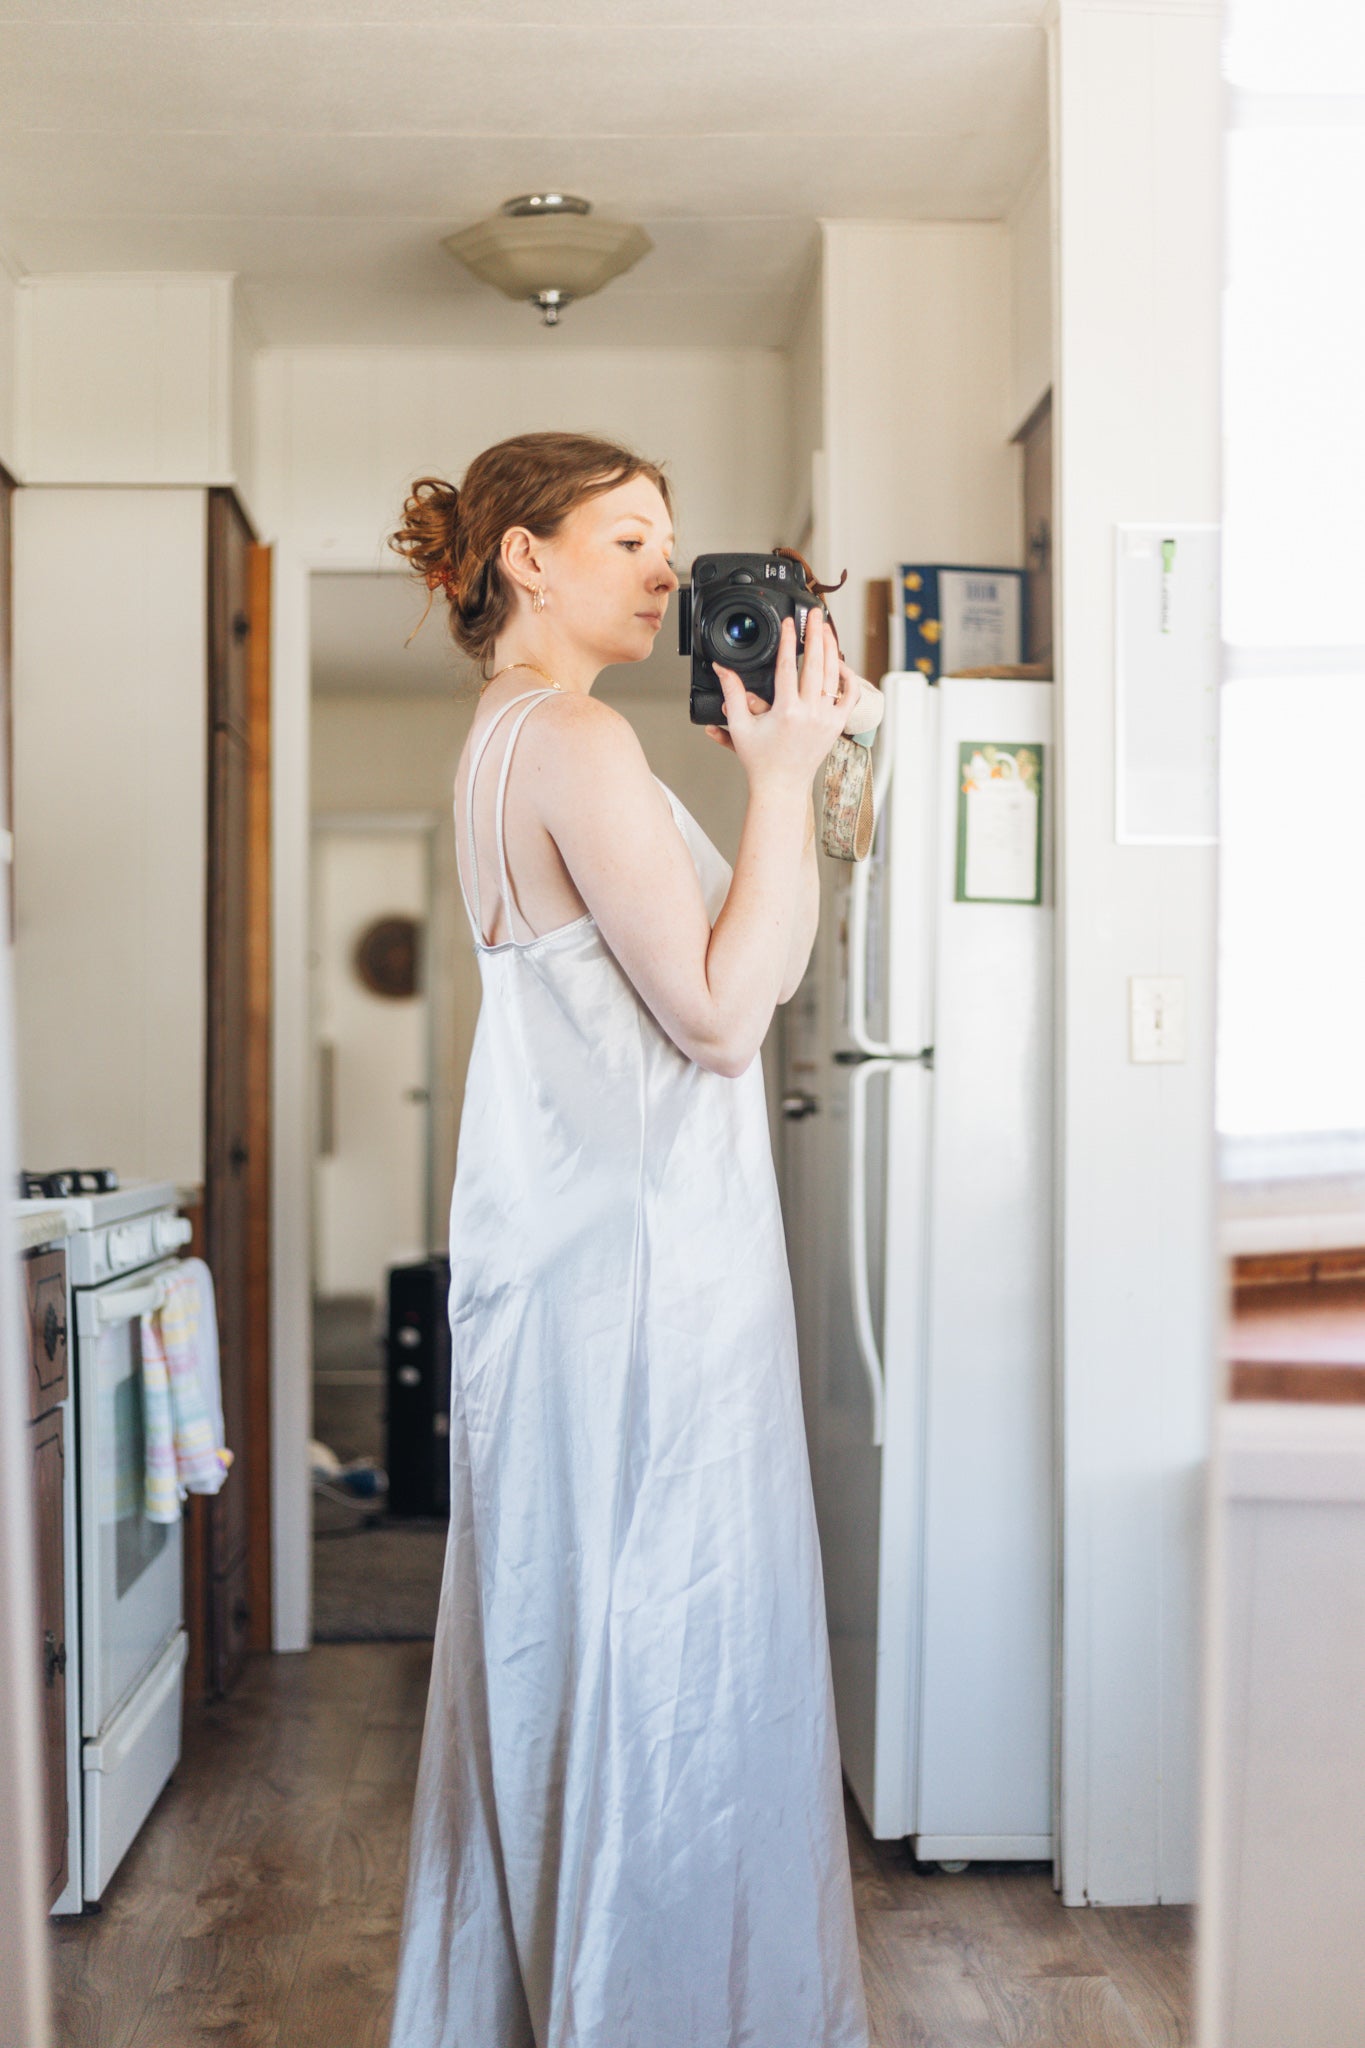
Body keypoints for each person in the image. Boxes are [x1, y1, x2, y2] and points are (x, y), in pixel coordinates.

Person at [386, 431, 879, 2048]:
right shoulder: (578, 741)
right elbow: (731, 1024)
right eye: (631, 537)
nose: (673, 570)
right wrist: (783, 780)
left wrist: (799, 766)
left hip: (582, 1262)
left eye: (674, 542)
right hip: (646, 1275)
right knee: (671, 1659)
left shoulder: (502, 740)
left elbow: (756, 958)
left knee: (576, 1648)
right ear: (524, 556)